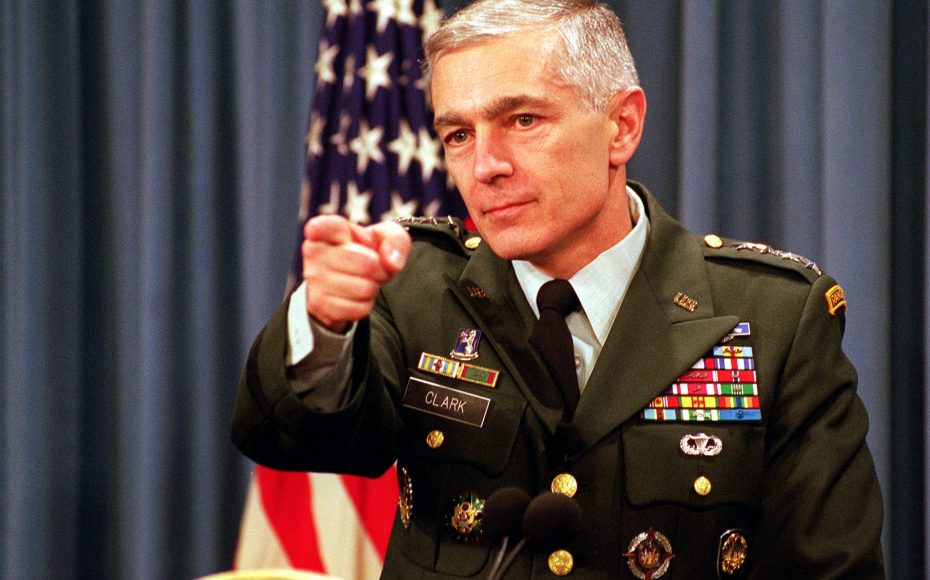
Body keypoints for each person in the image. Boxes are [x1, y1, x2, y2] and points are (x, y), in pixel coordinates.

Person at [231, 0, 885, 578]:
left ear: (621, 126)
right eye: (458, 135)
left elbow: (829, 567)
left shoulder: (774, 318)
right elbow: (294, 439)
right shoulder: (412, 287)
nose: (484, 166)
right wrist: (325, 323)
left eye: (522, 120)